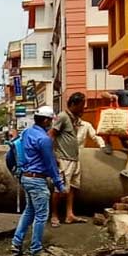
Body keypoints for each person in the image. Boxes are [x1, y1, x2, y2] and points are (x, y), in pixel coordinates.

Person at [6, 106, 66, 256]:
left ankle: (17, 243)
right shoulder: (44, 139)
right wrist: (60, 185)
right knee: (41, 215)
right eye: (50, 120)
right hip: (37, 180)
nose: (51, 123)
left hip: (26, 177)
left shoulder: (27, 132)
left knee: (29, 211)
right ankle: (36, 249)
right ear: (46, 120)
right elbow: (50, 164)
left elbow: (13, 150)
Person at [49, 92, 88, 226]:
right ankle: (54, 215)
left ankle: (69, 214)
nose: (84, 108)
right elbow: (51, 134)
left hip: (74, 158)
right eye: (82, 105)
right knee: (59, 188)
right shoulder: (63, 117)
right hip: (63, 158)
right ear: (74, 104)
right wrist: (52, 155)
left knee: (72, 187)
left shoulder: (75, 119)